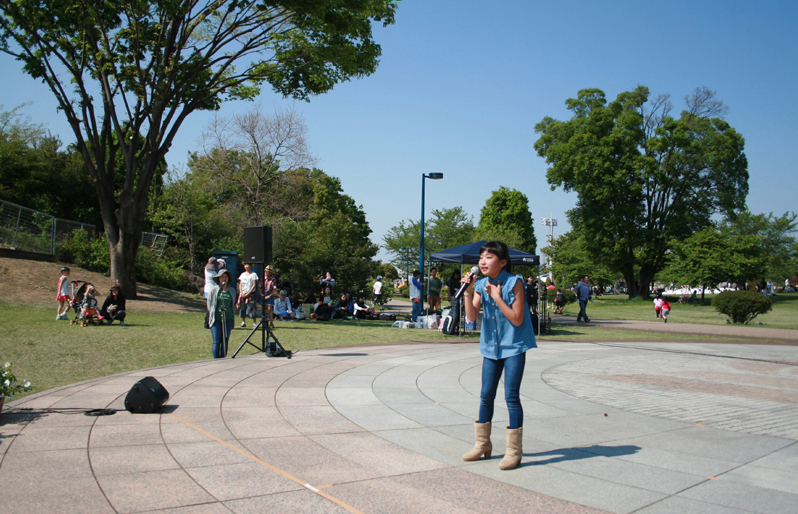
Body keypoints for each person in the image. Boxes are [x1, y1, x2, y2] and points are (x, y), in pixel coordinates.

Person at [461, 241, 536, 470]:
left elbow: (517, 319)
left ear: (502, 262)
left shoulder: (515, 282)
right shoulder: (480, 284)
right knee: (486, 395)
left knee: (511, 396)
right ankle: (482, 444)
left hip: (514, 346)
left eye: (489, 257)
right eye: (481, 257)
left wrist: (496, 297)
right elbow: (471, 317)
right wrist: (467, 292)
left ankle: (514, 451)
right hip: (491, 348)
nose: (483, 262)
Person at [207, 268, 235, 358]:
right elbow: (209, 304)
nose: (224, 279)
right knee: (216, 341)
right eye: (222, 277)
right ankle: (216, 360)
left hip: (228, 318)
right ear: (218, 279)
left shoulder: (232, 290)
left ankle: (223, 359)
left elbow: (233, 304)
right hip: (216, 319)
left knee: (225, 340)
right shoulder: (214, 290)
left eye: (226, 277)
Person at [237, 262, 259, 328]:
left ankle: (254, 322)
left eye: (247, 265)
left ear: (251, 266)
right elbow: (240, 284)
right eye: (245, 265)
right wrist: (241, 292)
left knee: (252, 307)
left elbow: (254, 285)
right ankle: (243, 321)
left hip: (251, 294)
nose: (246, 266)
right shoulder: (242, 274)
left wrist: (248, 293)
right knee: (242, 308)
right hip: (243, 293)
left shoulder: (254, 274)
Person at [260, 265, 277, 329]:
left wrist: (269, 296)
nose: (267, 273)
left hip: (269, 293)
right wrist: (261, 295)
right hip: (263, 293)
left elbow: (274, 288)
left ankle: (271, 322)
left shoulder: (273, 279)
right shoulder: (262, 279)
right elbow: (259, 287)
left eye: (268, 272)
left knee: (269, 309)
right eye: (266, 271)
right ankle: (264, 322)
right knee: (263, 309)